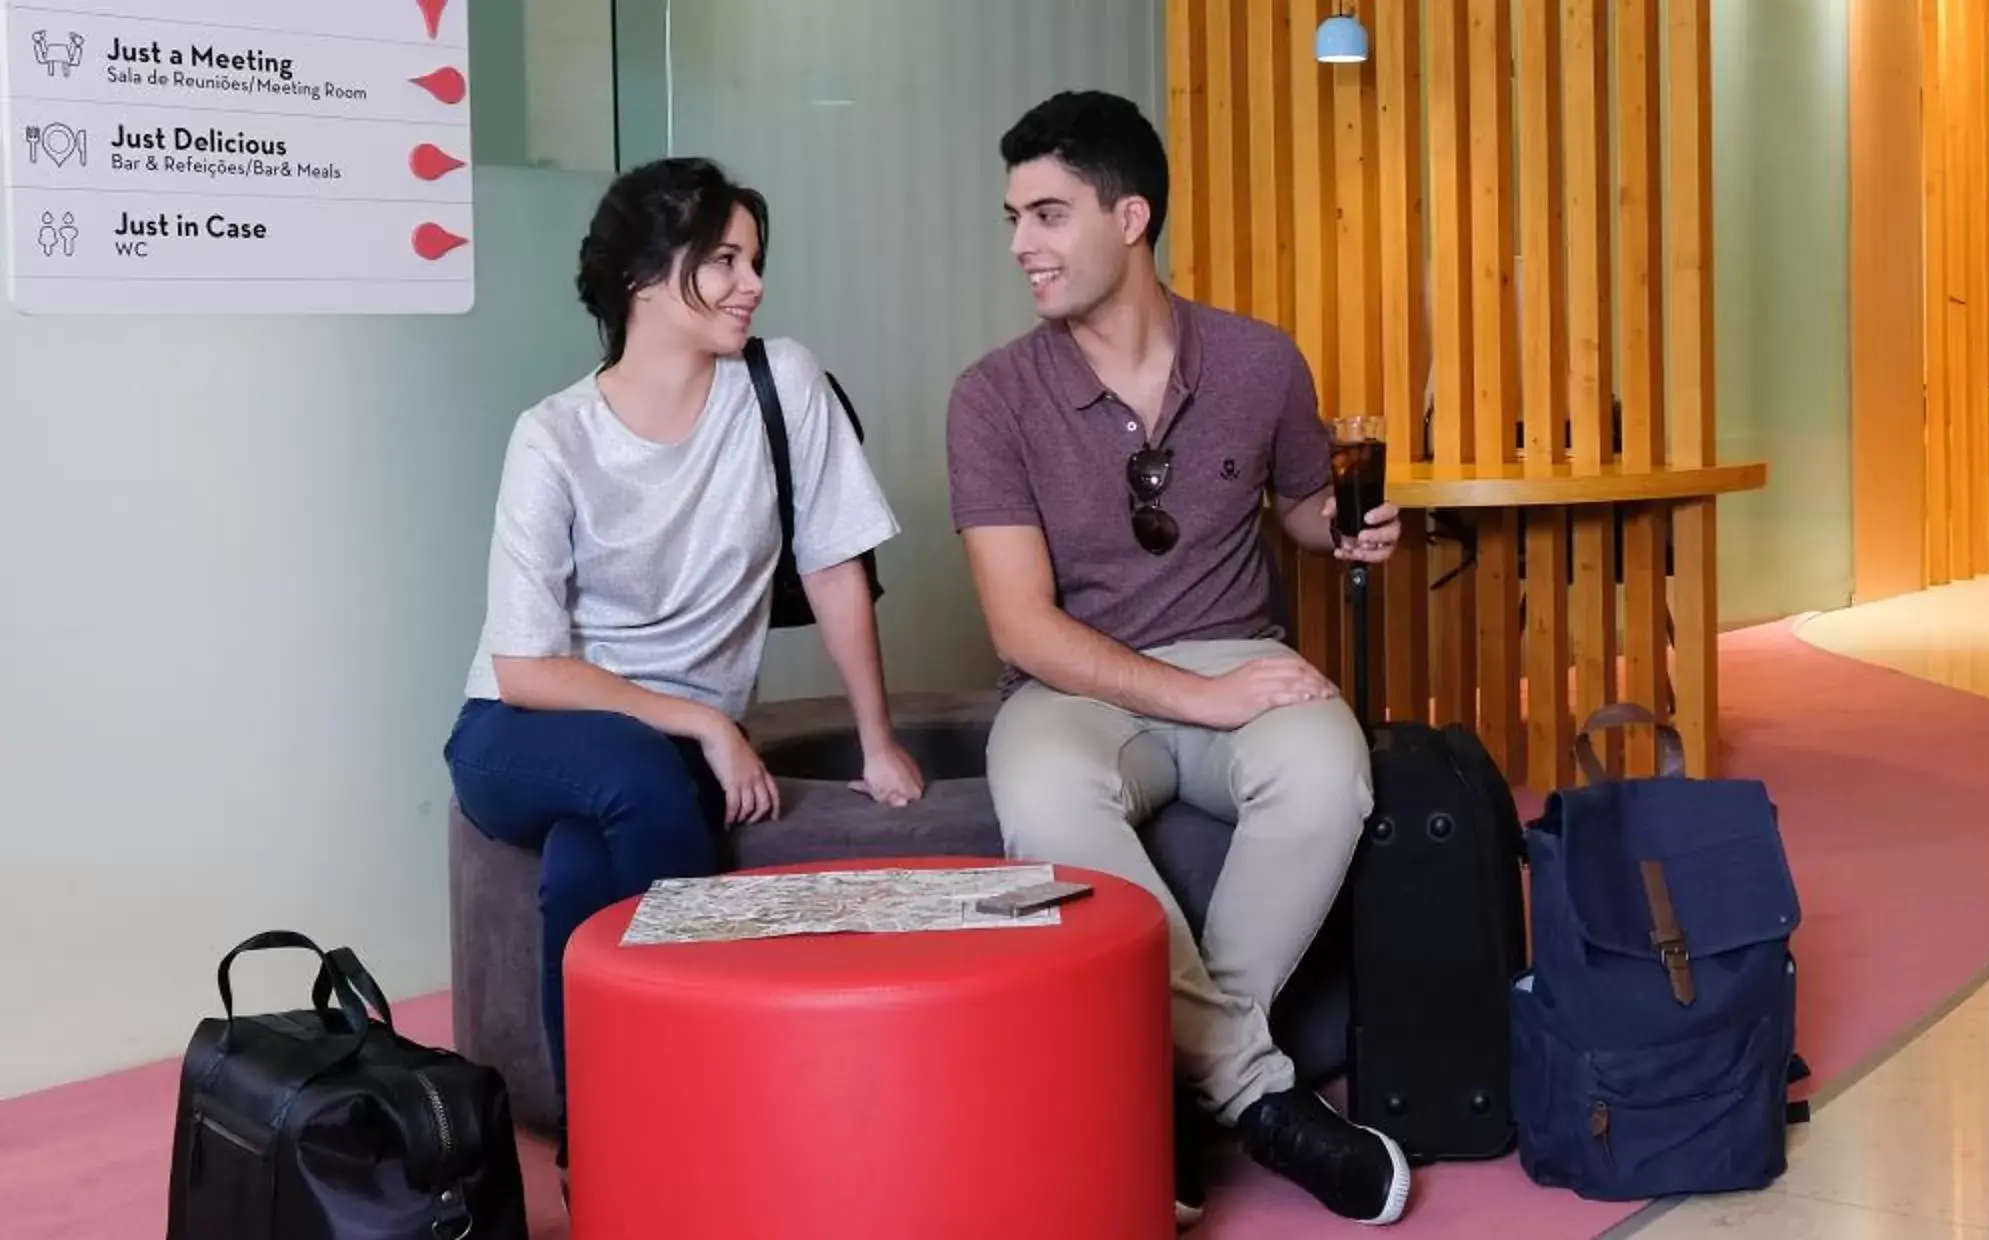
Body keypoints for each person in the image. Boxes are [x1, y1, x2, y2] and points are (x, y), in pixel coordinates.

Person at [947, 91, 1412, 1228]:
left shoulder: (1258, 362)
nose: (1022, 246)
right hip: (1071, 682)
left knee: (1326, 770)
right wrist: (1200, 693)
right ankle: (1253, 1089)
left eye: (1049, 215)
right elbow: (1022, 625)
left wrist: (1343, 526)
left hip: (1235, 656)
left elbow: (1300, 500)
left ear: (1132, 216)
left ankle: (1179, 1081)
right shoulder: (993, 397)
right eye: (1013, 217)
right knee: (1046, 794)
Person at [442, 157, 924, 1157]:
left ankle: (604, 1148)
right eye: (723, 260)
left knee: (584, 869)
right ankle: (713, 1096)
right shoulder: (555, 438)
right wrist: (708, 723)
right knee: (632, 771)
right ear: (642, 280)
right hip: (518, 729)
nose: (752, 282)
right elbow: (526, 668)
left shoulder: (780, 383)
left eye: (755, 259)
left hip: (653, 754)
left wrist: (878, 742)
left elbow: (837, 565)